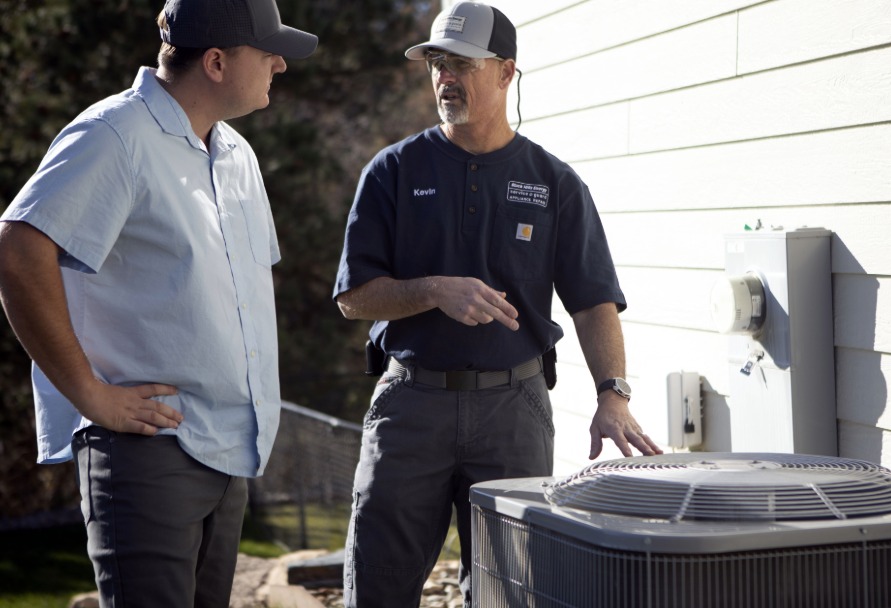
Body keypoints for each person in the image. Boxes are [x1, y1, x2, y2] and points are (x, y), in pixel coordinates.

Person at [332, 2, 663, 606]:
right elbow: (355, 298)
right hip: (411, 407)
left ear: (507, 72)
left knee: (513, 592)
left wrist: (612, 393)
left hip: (515, 411)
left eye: (462, 63)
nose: (444, 77)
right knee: (377, 587)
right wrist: (434, 290)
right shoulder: (394, 170)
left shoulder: (555, 181)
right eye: (437, 63)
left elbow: (592, 302)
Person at [0, 1, 316, 605]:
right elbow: (19, 248)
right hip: (148, 456)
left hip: (228, 456)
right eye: (268, 51)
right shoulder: (116, 135)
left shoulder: (237, 156)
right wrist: (89, 394)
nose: (280, 62)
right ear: (217, 62)